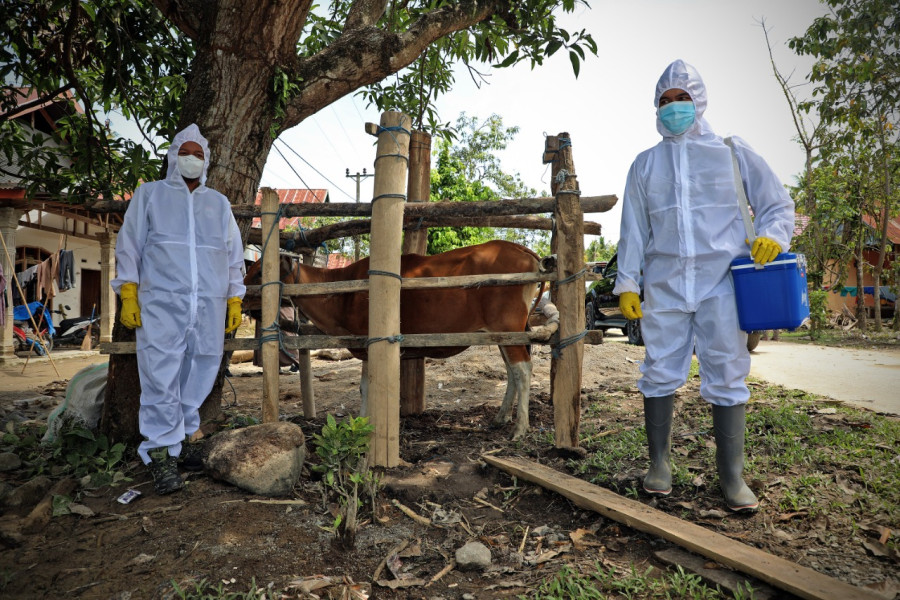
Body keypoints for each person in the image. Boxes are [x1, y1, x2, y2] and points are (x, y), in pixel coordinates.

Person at [613, 60, 795, 512]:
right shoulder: (644, 164)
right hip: (665, 284)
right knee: (658, 371)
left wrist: (773, 235)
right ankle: (659, 466)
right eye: (666, 101)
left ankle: (732, 479)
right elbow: (633, 230)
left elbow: (776, 202)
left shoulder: (731, 151)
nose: (674, 108)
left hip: (723, 283)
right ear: (656, 107)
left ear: (699, 101)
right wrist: (627, 283)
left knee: (728, 373)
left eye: (682, 98)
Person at [112, 124, 245, 495]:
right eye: (186, 152)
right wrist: (129, 292)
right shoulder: (150, 195)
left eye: (199, 154)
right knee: (159, 372)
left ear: (206, 162)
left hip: (207, 304)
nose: (192, 159)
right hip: (161, 303)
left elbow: (233, 254)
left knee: (200, 367)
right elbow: (130, 245)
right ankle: (159, 452)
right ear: (173, 157)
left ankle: (182, 439)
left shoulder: (217, 203)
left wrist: (235, 297)